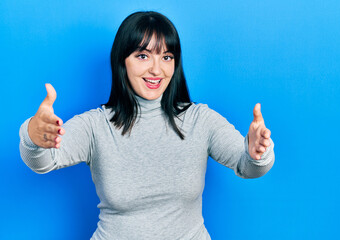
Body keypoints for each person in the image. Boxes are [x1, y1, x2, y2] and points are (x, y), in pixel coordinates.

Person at [19, 11, 275, 240]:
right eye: (143, 55)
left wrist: (257, 153)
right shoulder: (96, 125)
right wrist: (34, 134)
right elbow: (42, 162)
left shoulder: (200, 119)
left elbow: (248, 166)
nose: (156, 69)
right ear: (122, 61)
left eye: (166, 57)